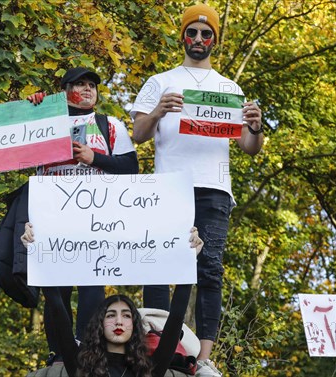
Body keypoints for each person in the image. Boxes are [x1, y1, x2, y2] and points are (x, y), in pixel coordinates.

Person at [129, 4, 265, 377]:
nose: (199, 39)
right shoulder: (160, 81)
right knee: (158, 261)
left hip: (214, 188)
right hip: (166, 187)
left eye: (207, 35)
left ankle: (203, 357)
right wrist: (157, 111)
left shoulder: (229, 89)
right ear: (183, 37)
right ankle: (156, 344)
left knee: (209, 268)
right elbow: (138, 135)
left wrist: (254, 126)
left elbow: (249, 148)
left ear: (215, 41)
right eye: (193, 33)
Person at [26, 67, 139, 366]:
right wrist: (32, 106)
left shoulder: (109, 125)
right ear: (64, 90)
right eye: (79, 84)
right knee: (56, 287)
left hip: (96, 216)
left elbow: (131, 167)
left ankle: (90, 352)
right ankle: (58, 354)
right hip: (53, 214)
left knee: (92, 284)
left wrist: (94, 158)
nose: (87, 89)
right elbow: (14, 142)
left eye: (92, 85)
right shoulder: (45, 120)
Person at [22, 225, 204, 377]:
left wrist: (189, 260)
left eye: (126, 315)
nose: (118, 321)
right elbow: (57, 309)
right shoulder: (82, 368)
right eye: (111, 315)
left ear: (135, 325)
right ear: (99, 324)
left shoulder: (149, 370)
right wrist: (38, 252)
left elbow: (176, 317)